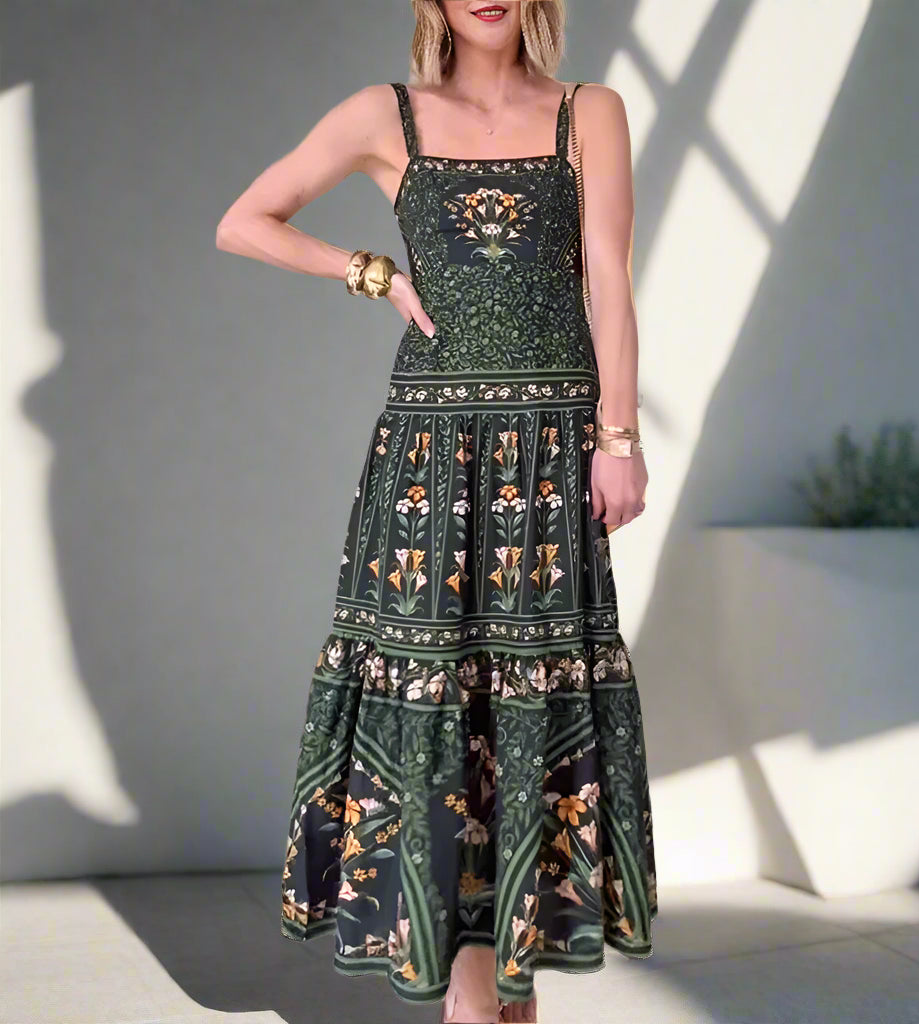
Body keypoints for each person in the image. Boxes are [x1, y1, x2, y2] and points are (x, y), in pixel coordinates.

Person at [216, 2, 656, 1021]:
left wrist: (618, 437)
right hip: (431, 457)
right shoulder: (387, 113)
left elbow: (610, 278)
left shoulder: (591, 111)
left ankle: (505, 987)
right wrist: (367, 273)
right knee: (446, 712)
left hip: (550, 452)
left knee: (528, 709)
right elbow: (244, 219)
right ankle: (472, 995)